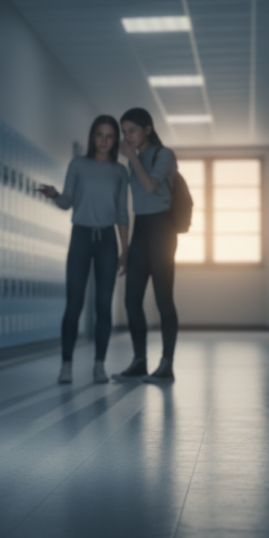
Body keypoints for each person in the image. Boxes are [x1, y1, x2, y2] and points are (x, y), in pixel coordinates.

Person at [40, 115, 130, 384]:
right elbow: (67, 202)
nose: (104, 140)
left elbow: (122, 214)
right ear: (93, 136)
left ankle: (99, 365)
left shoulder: (119, 172)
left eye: (110, 136)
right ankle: (66, 364)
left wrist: (125, 250)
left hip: (106, 240)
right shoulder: (77, 164)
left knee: (103, 306)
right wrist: (55, 194)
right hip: (80, 236)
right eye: (99, 135)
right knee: (74, 303)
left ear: (115, 140)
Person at [112, 108, 179, 383]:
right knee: (131, 300)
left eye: (133, 130)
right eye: (124, 131)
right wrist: (125, 249)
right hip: (141, 230)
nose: (127, 137)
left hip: (162, 229)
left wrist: (133, 159)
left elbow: (151, 186)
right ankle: (139, 361)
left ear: (148, 130)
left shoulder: (164, 155)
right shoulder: (133, 161)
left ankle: (166, 365)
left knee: (163, 299)